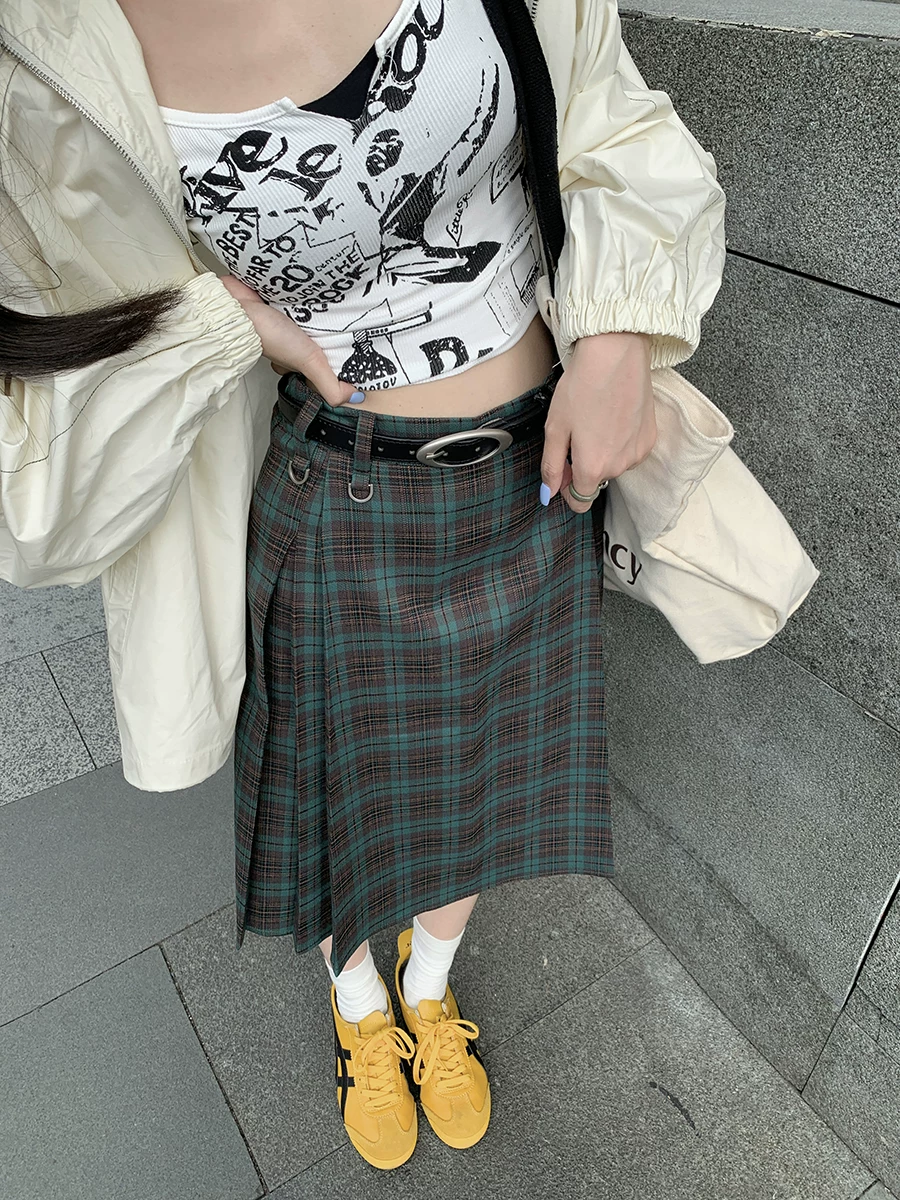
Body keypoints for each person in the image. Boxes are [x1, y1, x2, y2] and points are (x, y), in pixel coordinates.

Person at [0, 0, 726, 1171]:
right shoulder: (32, 54)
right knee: (349, 801)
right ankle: (360, 1011)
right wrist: (215, 328)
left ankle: (427, 991)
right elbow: (29, 455)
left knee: (487, 783)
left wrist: (620, 332)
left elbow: (611, 111)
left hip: (536, 481)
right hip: (336, 493)